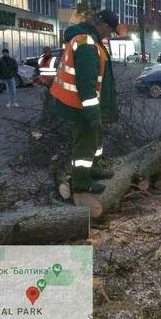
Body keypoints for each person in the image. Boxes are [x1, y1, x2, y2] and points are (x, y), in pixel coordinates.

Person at [50, 10, 119, 196]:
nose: (110, 34)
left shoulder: (89, 41)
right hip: (80, 105)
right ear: (102, 25)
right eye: (110, 30)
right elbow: (86, 82)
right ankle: (81, 182)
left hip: (84, 104)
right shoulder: (87, 44)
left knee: (96, 139)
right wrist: (92, 112)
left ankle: (92, 168)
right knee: (85, 142)